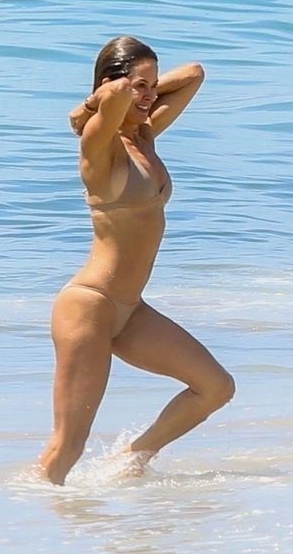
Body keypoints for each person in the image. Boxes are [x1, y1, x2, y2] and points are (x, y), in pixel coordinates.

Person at [37, 36, 234, 484]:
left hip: (130, 310)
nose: (149, 95)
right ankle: (28, 513)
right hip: (90, 307)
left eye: (153, 85)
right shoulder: (99, 147)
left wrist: (138, 90)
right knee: (68, 445)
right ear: (113, 85)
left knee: (215, 387)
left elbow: (194, 73)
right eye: (139, 86)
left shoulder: (144, 135)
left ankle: (129, 461)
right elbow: (109, 101)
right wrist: (92, 106)